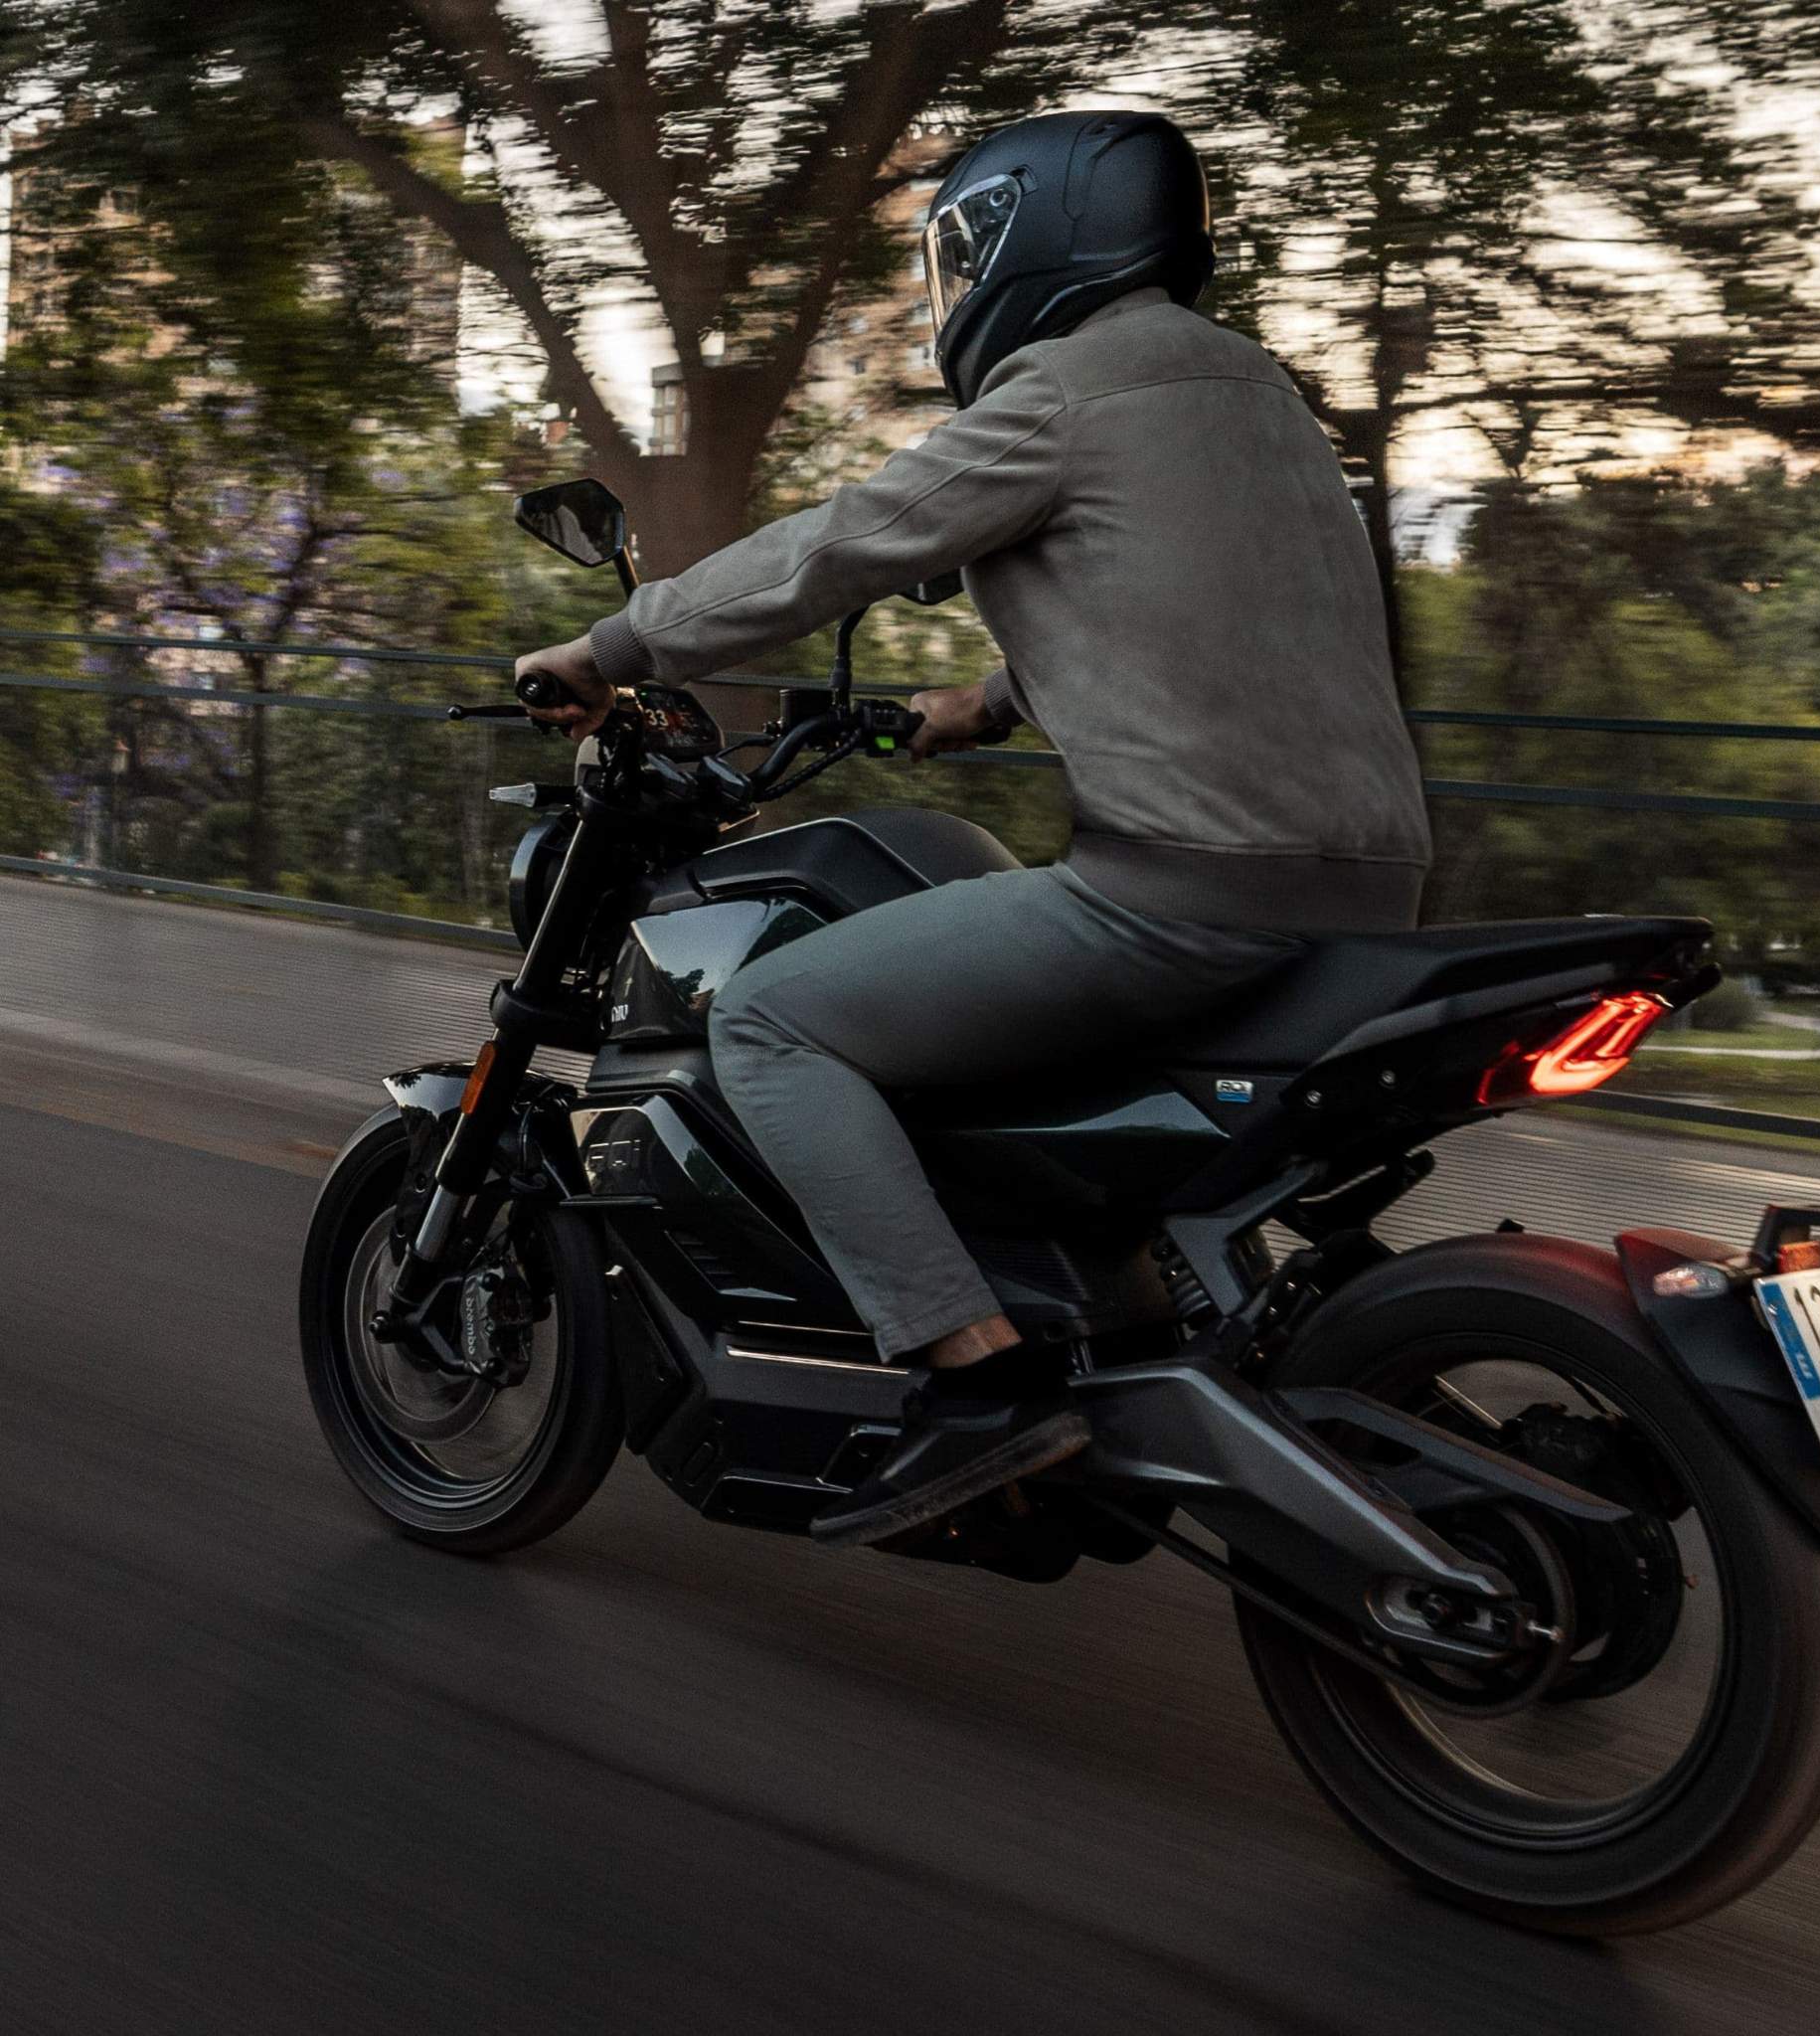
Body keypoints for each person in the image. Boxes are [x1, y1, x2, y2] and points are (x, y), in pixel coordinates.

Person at [514, 109, 1432, 1546]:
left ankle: (974, 1382)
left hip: (1179, 896)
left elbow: (835, 546)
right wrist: (997, 699)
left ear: (1023, 236)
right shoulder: (1254, 391)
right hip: (1372, 887)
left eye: (961, 251)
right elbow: (1221, 605)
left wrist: (615, 648)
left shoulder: (1064, 391)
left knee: (774, 1025)